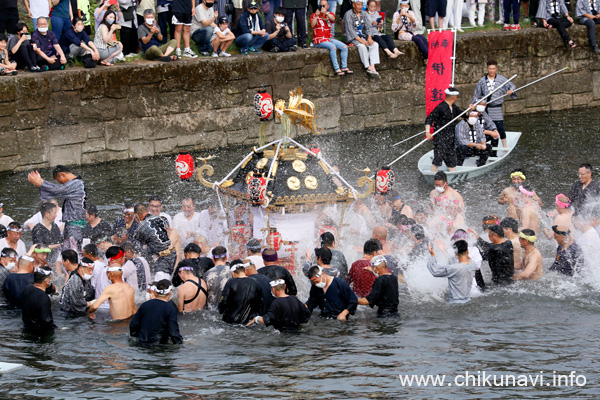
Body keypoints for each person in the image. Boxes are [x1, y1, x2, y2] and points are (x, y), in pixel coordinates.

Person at [28, 165, 87, 252]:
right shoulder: (76, 184)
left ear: (63, 175)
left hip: (75, 225)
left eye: (59, 181)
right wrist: (41, 181)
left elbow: (57, 190)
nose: (61, 184)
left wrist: (39, 183)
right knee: (67, 250)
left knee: (73, 252)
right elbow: (57, 189)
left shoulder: (77, 184)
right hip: (73, 224)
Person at [471, 60, 516, 152]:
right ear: (487, 69)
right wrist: (473, 104)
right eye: (490, 69)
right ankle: (485, 147)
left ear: (496, 69)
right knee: (486, 127)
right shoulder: (482, 81)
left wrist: (510, 90)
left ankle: (504, 146)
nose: (492, 70)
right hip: (485, 109)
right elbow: (477, 94)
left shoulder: (501, 79)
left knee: (500, 127)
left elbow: (511, 86)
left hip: (497, 108)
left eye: (493, 69)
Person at [133, 204, 178, 281]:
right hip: (172, 253)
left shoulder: (141, 226)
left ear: (136, 215)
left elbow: (137, 245)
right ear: (147, 210)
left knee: (160, 287)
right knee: (167, 282)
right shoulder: (161, 218)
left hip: (162, 258)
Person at [130, 279, 183, 345]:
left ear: (157, 292)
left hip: (142, 343)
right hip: (159, 346)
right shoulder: (170, 308)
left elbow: (133, 325)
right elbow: (173, 332)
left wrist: (137, 338)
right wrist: (179, 344)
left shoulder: (144, 305)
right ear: (170, 292)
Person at [246, 279, 311, 332]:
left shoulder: (276, 303)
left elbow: (267, 320)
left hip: (283, 334)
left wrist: (256, 319)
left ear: (273, 289)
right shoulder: (295, 299)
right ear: (285, 286)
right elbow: (307, 314)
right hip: (297, 332)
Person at [425, 88, 464, 172]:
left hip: (450, 137)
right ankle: (433, 175)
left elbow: (464, 114)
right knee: (438, 158)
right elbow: (429, 119)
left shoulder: (453, 107)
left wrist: (471, 109)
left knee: (451, 158)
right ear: (454, 98)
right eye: (456, 96)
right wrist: (428, 132)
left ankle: (452, 176)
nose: (456, 98)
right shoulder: (440, 107)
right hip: (440, 137)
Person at [311, 0, 350, 75]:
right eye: (321, 5)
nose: (322, 7)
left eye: (324, 5)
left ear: (328, 6)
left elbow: (333, 19)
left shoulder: (330, 14)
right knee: (333, 47)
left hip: (328, 38)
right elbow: (312, 25)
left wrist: (326, 13)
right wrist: (316, 16)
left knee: (344, 47)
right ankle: (337, 69)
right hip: (319, 40)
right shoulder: (314, 15)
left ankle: (344, 67)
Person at [344, 0, 380, 77]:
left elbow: (368, 26)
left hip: (363, 35)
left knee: (374, 44)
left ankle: (372, 66)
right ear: (353, 5)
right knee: (362, 46)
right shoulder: (348, 14)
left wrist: (369, 37)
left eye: (361, 5)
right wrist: (361, 40)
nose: (360, 7)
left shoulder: (363, 14)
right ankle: (367, 66)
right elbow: (350, 29)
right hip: (352, 37)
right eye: (358, 5)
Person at [21, 267, 57, 335]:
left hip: (26, 328)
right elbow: (47, 321)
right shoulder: (43, 297)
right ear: (46, 281)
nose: (52, 280)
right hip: (39, 334)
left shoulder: (27, 288)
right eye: (51, 278)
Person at [31, 202, 62, 273]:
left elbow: (60, 241)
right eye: (54, 213)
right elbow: (40, 248)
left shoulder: (55, 226)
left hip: (56, 262)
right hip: (42, 262)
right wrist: (58, 245)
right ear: (47, 214)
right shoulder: (37, 229)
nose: (56, 215)